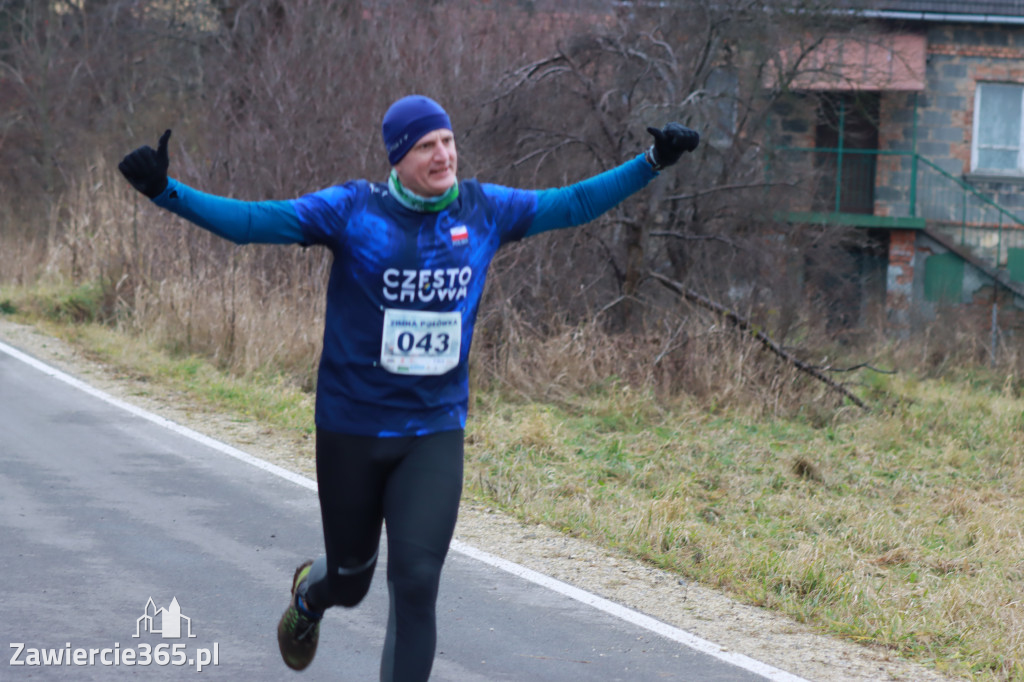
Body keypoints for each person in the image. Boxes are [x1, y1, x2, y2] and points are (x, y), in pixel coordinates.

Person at [118, 94, 698, 680]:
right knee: (349, 582)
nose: (443, 154)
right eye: (426, 145)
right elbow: (251, 224)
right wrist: (167, 192)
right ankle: (308, 599)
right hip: (351, 428)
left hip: (433, 430)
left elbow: (571, 204)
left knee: (417, 583)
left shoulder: (484, 209)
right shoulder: (352, 212)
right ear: (397, 157)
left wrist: (652, 160)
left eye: (447, 140)